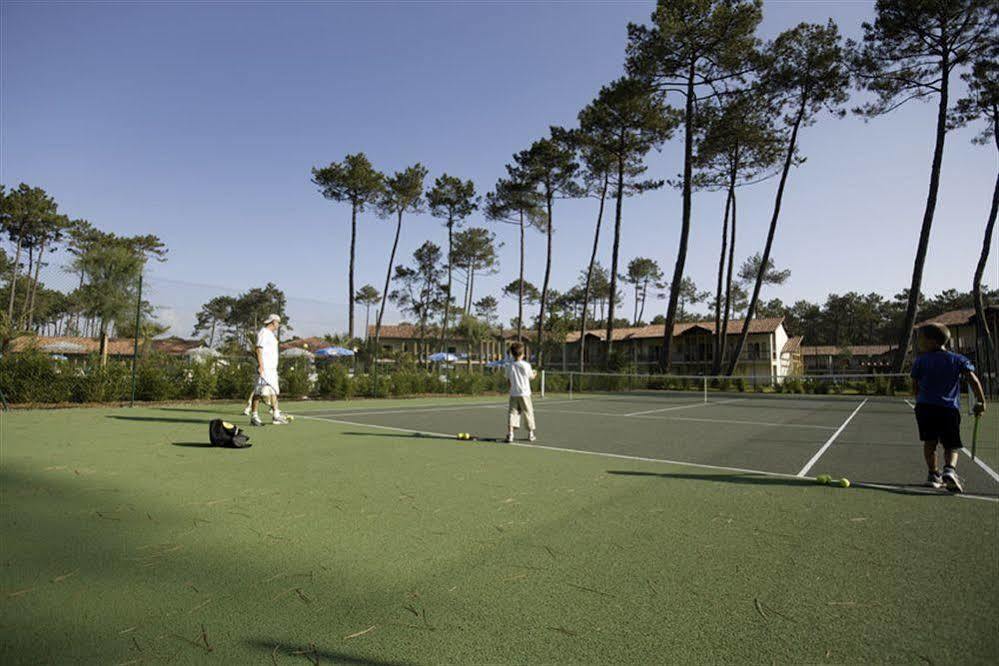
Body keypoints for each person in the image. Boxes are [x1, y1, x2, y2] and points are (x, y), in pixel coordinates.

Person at [910, 323, 986, 493]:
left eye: (921, 339)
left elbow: (914, 385)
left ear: (932, 341)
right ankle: (949, 470)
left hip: (925, 408)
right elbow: (973, 379)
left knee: (930, 443)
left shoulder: (920, 360)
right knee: (951, 445)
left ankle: (933, 475)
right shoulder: (958, 359)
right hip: (948, 409)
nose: (919, 342)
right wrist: (981, 401)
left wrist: (919, 400)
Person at [250, 314, 289, 426]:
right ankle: (254, 416)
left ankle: (276, 416)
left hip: (272, 370)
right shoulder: (263, 332)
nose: (278, 324)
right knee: (258, 391)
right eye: (278, 322)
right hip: (264, 369)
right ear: (273, 322)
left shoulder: (271, 335)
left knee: (274, 391)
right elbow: (258, 349)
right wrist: (261, 366)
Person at [504, 341, 537, 443]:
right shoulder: (526, 365)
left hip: (514, 394)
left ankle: (511, 434)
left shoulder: (509, 366)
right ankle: (530, 434)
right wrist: (535, 373)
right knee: (528, 413)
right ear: (522, 354)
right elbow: (531, 376)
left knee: (512, 413)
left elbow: (508, 380)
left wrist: (511, 389)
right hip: (525, 394)